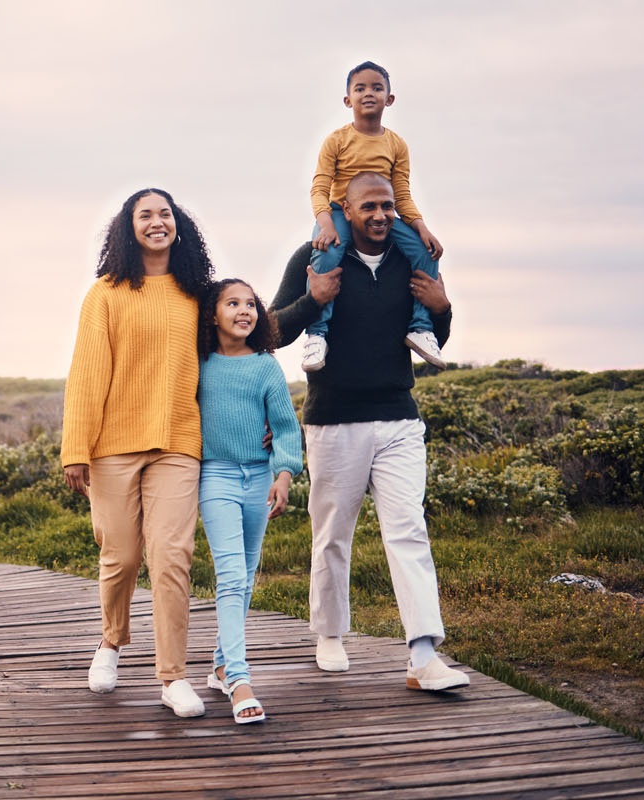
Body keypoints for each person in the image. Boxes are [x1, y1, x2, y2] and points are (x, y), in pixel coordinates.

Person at [271, 171, 472, 693]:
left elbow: (431, 336)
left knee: (408, 530)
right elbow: (273, 330)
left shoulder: (411, 256)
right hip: (334, 419)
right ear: (347, 209)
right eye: (369, 207)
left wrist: (442, 307)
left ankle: (424, 655)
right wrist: (313, 300)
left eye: (387, 206)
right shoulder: (316, 255)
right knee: (332, 536)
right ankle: (331, 634)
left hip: (399, 417)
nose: (380, 215)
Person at [60, 188, 216, 718]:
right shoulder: (105, 293)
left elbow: (238, 351)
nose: (156, 222)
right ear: (128, 228)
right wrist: (75, 449)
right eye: (144, 215)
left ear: (178, 225)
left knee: (171, 557)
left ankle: (173, 677)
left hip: (178, 441)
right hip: (111, 446)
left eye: (164, 214)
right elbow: (86, 375)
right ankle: (110, 641)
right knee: (121, 555)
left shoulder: (198, 293)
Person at [194, 278, 302, 725]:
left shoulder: (266, 367)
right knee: (232, 573)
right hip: (214, 474)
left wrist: (284, 473)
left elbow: (286, 425)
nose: (244, 310)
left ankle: (220, 664)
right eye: (232, 303)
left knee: (247, 573)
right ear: (212, 314)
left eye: (251, 304)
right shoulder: (197, 364)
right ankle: (239, 679)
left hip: (258, 477)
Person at [301, 61, 451, 372]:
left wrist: (421, 227)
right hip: (340, 213)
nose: (368, 93)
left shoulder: (396, 144)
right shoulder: (336, 140)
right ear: (348, 100)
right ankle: (316, 335)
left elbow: (402, 194)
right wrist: (326, 223)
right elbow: (319, 187)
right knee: (327, 254)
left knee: (427, 253)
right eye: (360, 88)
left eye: (376, 87)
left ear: (389, 98)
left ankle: (420, 328)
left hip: (383, 214)